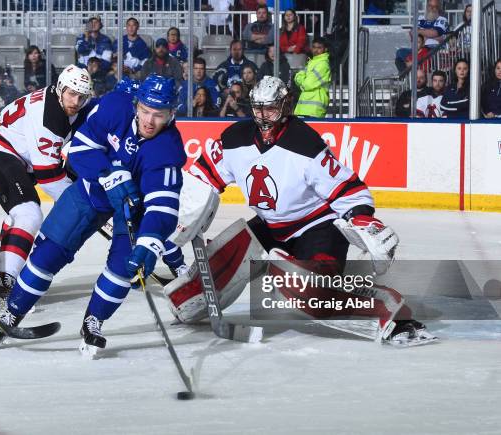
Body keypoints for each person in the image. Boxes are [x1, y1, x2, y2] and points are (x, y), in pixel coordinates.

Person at [174, 76, 436, 347]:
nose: (263, 117)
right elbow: (203, 175)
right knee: (220, 263)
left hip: (318, 228)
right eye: (258, 109)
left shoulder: (305, 144)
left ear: (285, 107)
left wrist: (362, 220)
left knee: (313, 296)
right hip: (269, 227)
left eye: (271, 109)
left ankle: (389, 308)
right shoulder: (234, 139)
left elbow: (349, 189)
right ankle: (193, 296)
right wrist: (188, 211)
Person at [0, 75, 187, 354]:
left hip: (134, 208)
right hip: (90, 192)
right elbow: (80, 149)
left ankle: (94, 321)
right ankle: (11, 314)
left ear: (172, 113)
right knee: (47, 253)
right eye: (145, 111)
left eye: (159, 115)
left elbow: (162, 206)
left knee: (124, 267)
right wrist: (107, 174)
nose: (149, 120)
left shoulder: (168, 149)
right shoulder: (114, 106)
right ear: (136, 104)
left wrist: (150, 240)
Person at [0, 65, 94, 311]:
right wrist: (84, 205)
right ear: (60, 89)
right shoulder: (50, 117)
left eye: (81, 96)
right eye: (71, 94)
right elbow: (49, 178)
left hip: (10, 155)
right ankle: (1, 289)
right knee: (28, 213)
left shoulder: (65, 104)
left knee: (20, 215)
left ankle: (0, 274)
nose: (76, 101)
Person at [395, 0, 448, 72]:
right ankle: (406, 74)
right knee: (400, 53)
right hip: (418, 48)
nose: (432, 8)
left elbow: (434, 33)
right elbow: (412, 33)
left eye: (435, 7)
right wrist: (428, 34)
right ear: (426, 7)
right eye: (430, 6)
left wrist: (421, 32)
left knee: (426, 54)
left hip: (432, 49)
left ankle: (412, 66)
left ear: (439, 8)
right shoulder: (421, 18)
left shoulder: (442, 20)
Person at [293, 37, 331, 118]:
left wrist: (301, 81)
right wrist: (301, 79)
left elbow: (307, 84)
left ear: (325, 49)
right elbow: (296, 78)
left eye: (319, 48)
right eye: (314, 47)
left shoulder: (322, 64)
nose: (316, 50)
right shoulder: (312, 62)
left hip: (314, 108)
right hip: (305, 106)